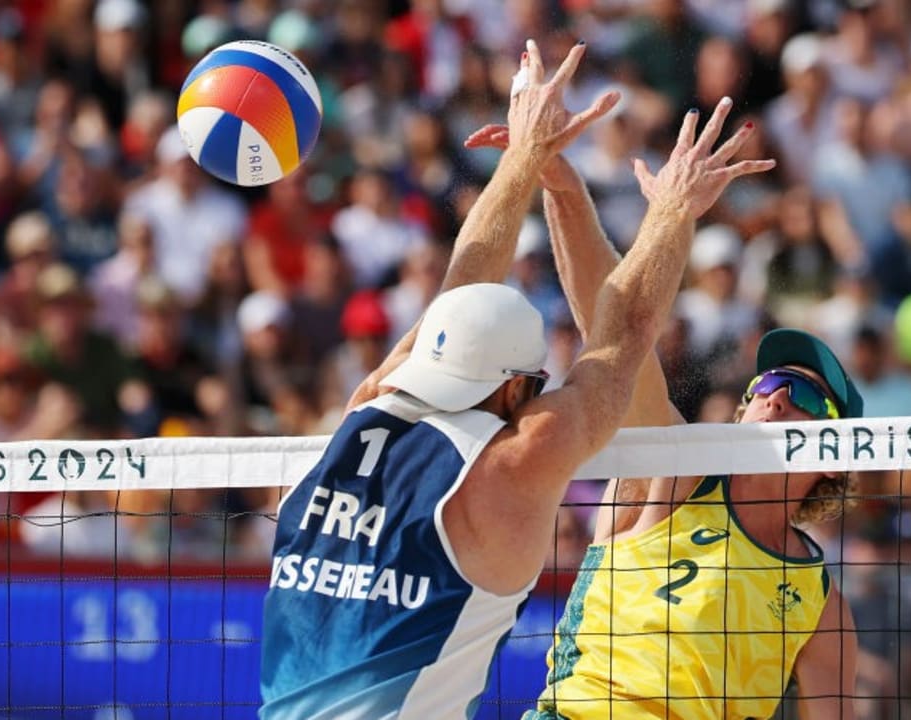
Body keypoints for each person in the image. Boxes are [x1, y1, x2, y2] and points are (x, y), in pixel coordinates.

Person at [259, 41, 774, 719]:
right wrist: (675, 210)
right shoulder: (513, 465)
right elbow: (622, 337)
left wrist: (525, 158)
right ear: (516, 388)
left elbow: (459, 290)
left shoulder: (367, 407)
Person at [467, 119, 860, 718]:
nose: (778, 398)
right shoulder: (673, 474)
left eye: (804, 399)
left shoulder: (821, 602)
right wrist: (566, 193)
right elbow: (617, 338)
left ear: (833, 459)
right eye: (769, 384)